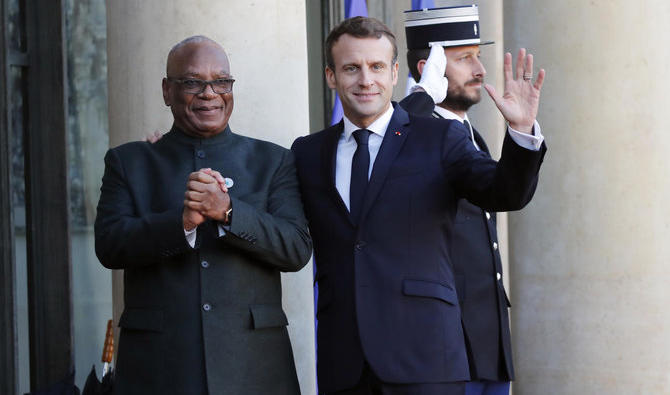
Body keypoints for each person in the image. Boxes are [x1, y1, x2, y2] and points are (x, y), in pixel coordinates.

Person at [291, 16, 546, 395]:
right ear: (330, 76)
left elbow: (502, 192)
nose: (365, 80)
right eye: (351, 68)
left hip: (426, 360)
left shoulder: (439, 137)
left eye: (377, 67)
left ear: (395, 73)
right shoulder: (308, 153)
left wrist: (522, 133)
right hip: (342, 363)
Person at [94, 36, 312, 395]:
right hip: (160, 367)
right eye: (193, 82)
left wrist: (228, 212)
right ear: (168, 91)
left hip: (254, 366)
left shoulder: (273, 161)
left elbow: (296, 249)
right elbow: (110, 245)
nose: (210, 93)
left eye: (221, 82)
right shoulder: (129, 162)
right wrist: (181, 224)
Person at [400, 6, 533, 395]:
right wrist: (422, 97)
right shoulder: (412, 135)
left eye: (478, 55)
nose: (480, 69)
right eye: (463, 59)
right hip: (442, 346)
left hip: (487, 342)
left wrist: (522, 130)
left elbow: (508, 194)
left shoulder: (467, 133)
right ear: (429, 68)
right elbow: (387, 142)